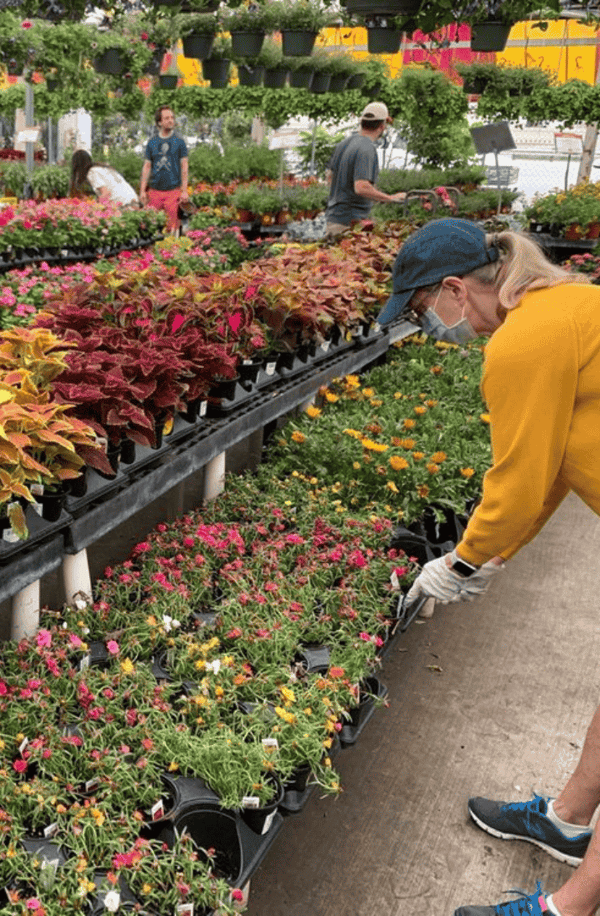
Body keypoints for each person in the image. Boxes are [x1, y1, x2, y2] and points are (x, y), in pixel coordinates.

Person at [379, 217, 599, 916]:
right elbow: (551, 473)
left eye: (422, 312)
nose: (428, 328)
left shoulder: (521, 343)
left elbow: (516, 477)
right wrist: (489, 555)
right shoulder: (560, 306)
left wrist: (466, 559)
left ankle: (570, 907)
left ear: (453, 290)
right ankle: (566, 822)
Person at [324, 101, 407, 238]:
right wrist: (390, 198)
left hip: (334, 220)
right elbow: (361, 187)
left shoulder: (344, 143)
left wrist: (341, 194)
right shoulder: (366, 148)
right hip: (350, 225)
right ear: (382, 126)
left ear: (362, 122)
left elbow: (330, 177)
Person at [139, 106, 189, 234]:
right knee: (150, 226)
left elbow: (184, 167)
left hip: (173, 192)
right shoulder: (152, 143)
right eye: (167, 118)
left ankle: (173, 252)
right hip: (154, 192)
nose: (171, 120)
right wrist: (142, 191)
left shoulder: (179, 142)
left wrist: (184, 191)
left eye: (172, 117)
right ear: (159, 122)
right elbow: (147, 167)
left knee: (172, 228)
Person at [68, 149, 138, 206]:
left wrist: (94, 205)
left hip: (124, 203)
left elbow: (106, 193)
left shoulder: (92, 172)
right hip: (133, 200)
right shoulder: (102, 168)